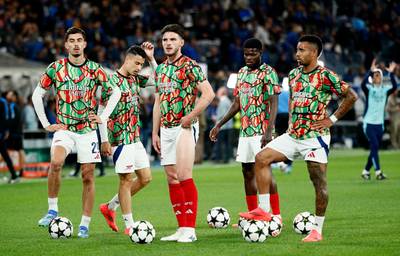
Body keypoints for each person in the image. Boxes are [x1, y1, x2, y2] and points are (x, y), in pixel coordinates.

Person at [239, 35, 358, 242]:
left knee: (318, 181)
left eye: (302, 50)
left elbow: (351, 96)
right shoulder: (293, 75)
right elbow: (295, 103)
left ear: (314, 53)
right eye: (297, 49)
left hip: (315, 137)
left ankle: (317, 231)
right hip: (293, 135)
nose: (297, 54)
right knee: (261, 158)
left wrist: (331, 119)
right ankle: (264, 209)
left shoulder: (325, 76)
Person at [32, 27, 121, 238]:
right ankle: (52, 208)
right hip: (64, 129)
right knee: (56, 163)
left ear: (85, 44)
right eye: (71, 41)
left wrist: (104, 116)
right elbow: (37, 95)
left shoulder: (95, 69)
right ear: (66, 45)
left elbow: (115, 91)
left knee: (88, 176)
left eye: (79, 40)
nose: (75, 44)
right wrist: (46, 124)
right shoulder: (56, 68)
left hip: (88, 131)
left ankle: (84, 224)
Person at [152, 24, 215, 243]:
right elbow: (158, 102)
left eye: (172, 39)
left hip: (184, 126)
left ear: (181, 43)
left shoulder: (190, 65)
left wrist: (192, 116)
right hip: (166, 129)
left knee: (184, 175)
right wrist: (154, 132)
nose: (168, 43)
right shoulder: (160, 69)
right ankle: (181, 228)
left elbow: (208, 94)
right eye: (165, 40)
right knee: (171, 178)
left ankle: (190, 229)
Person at [210, 38, 282, 221]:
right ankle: (253, 214)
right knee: (247, 172)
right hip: (245, 131)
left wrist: (268, 130)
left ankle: (276, 215)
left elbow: (274, 102)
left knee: (265, 171)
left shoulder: (269, 72)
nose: (248, 57)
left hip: (262, 131)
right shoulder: (241, 73)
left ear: (261, 52)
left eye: (253, 53)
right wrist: (219, 124)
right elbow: (237, 104)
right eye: (246, 54)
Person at [98, 43, 158, 235]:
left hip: (135, 137)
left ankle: (110, 206)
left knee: (146, 178)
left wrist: (151, 59)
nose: (140, 67)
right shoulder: (111, 82)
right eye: (138, 63)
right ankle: (129, 225)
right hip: (118, 139)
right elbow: (101, 112)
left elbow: (160, 80)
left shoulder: (135, 79)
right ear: (128, 59)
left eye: (142, 64)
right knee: (125, 180)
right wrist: (104, 139)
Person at [360, 59, 397, 180]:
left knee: (375, 148)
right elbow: (362, 84)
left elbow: (395, 86)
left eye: (378, 75)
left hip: (379, 124)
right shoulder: (369, 89)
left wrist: (390, 73)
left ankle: (365, 171)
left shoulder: (385, 90)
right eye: (375, 75)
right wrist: (370, 72)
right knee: (374, 145)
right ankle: (378, 172)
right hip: (369, 123)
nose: (377, 77)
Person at [0, 90, 19, 183]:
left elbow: (6, 118)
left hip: (1, 133)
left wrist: (6, 131)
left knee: (5, 155)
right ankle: (14, 175)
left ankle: (15, 175)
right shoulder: (4, 103)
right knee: (5, 155)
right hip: (2, 132)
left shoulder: (3, 102)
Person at [5, 90, 25, 177]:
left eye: (10, 94)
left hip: (13, 133)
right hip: (17, 133)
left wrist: (8, 130)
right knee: (20, 151)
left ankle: (21, 171)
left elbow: (12, 120)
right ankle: (21, 170)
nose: (7, 96)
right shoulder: (16, 106)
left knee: (5, 151)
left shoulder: (12, 106)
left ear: (14, 97)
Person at [212, 87, 233, 163]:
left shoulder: (223, 101)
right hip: (229, 126)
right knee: (227, 143)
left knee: (220, 143)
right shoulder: (228, 101)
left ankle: (219, 158)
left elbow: (223, 114)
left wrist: (216, 118)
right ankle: (226, 158)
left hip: (223, 126)